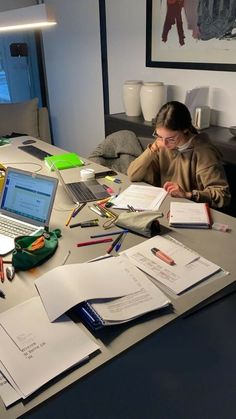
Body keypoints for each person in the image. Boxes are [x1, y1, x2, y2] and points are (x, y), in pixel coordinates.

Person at [127, 101, 231, 209]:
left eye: (171, 138)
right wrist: (153, 149)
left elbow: (223, 195)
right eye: (159, 136)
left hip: (191, 211)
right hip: (165, 206)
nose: (165, 143)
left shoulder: (203, 152)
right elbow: (132, 175)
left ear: (185, 129)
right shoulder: (160, 145)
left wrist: (187, 194)